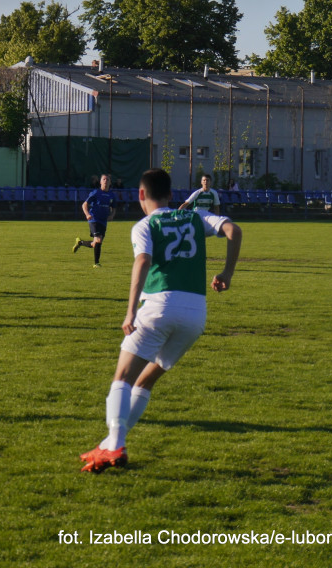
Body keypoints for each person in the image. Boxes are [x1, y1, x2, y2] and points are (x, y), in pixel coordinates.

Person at [79, 168, 242, 473]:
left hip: (158, 308)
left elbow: (143, 261)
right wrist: (227, 273)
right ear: (171, 195)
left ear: (141, 195)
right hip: (195, 315)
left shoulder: (145, 225)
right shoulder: (196, 217)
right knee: (145, 381)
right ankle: (111, 443)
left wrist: (130, 311)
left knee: (122, 379)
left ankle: (114, 444)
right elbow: (234, 231)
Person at [73, 174, 116, 267]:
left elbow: (114, 207)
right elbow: (84, 205)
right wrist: (87, 214)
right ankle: (96, 263)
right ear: (100, 182)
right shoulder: (95, 192)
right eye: (104, 179)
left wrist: (112, 215)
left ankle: (80, 242)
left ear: (110, 182)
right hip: (94, 219)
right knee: (98, 239)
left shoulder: (112, 195)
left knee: (95, 243)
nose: (106, 181)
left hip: (103, 221)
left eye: (107, 179)